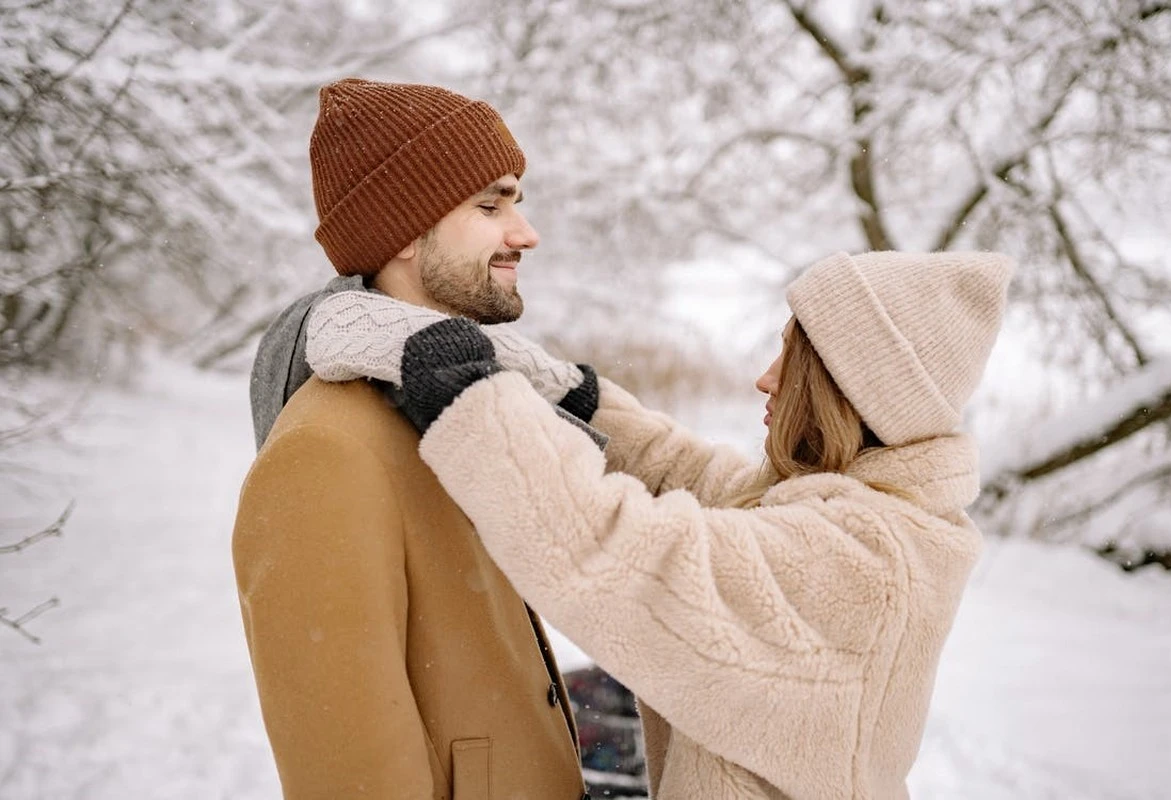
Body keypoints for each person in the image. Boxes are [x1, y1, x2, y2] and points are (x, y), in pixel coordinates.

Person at [302, 249, 1014, 799]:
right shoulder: (859, 509)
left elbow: (624, 559)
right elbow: (694, 479)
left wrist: (472, 402)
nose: (766, 377)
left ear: (846, 389)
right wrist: (573, 397)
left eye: (792, 357)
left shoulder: (865, 563)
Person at [231, 78, 590, 800]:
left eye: (516, 203)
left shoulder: (457, 402)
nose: (525, 233)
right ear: (401, 230)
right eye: (490, 206)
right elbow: (350, 774)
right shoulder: (326, 451)